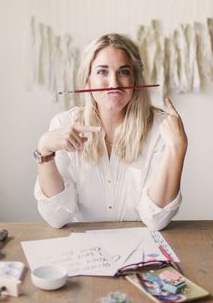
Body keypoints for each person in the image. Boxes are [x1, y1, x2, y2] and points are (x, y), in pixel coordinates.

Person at [34, 33, 188, 230]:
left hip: (142, 250)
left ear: (136, 80)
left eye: (123, 72)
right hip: (85, 253)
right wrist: (45, 152)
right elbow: (56, 218)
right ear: (87, 81)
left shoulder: (161, 129)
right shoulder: (63, 124)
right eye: (102, 72)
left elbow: (155, 219)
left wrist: (178, 147)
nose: (114, 83)